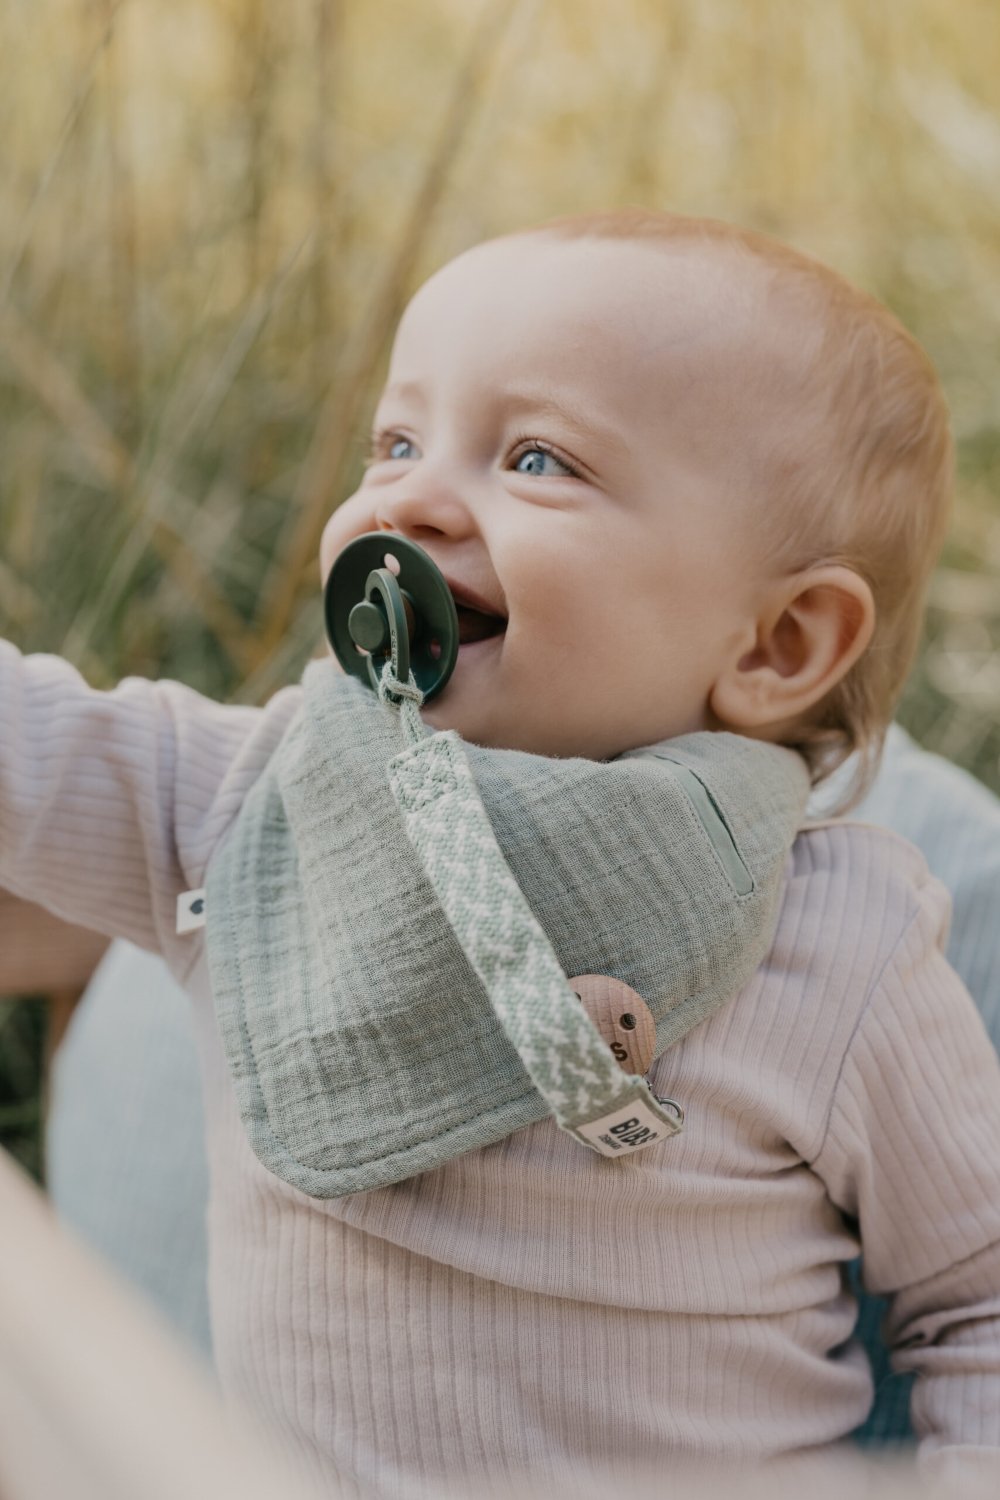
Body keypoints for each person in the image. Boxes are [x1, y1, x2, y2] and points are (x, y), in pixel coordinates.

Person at [3, 208, 1000, 1498]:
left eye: (536, 458)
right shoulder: (248, 806)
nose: (404, 496)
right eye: (397, 440)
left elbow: (978, 1300)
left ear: (778, 646)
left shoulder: (844, 937)